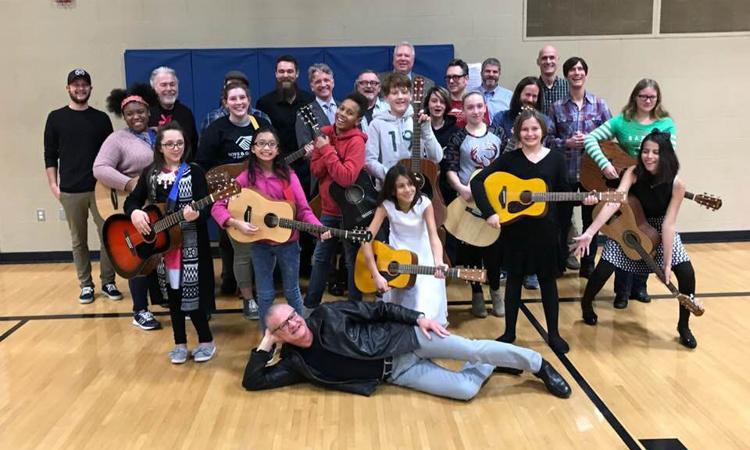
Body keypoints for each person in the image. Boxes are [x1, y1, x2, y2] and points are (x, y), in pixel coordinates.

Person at [242, 301, 572, 401]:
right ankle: (489, 367)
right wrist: (264, 345)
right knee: (465, 390)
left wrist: (420, 319)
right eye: (285, 325)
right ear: (278, 334)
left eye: (294, 316)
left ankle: (538, 364)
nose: (295, 323)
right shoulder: (295, 362)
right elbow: (253, 381)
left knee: (473, 349)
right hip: (398, 373)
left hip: (407, 340)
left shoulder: (328, 315)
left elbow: (377, 309)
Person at [472, 109, 595, 354]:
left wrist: (584, 200)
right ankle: (509, 332)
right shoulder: (510, 159)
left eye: (534, 129)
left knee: (548, 282)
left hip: (546, 231)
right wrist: (490, 213)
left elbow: (564, 193)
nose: (530, 133)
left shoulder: (556, 159)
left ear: (543, 131)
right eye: (525, 129)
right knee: (515, 281)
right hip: (515, 230)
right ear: (518, 132)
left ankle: (554, 334)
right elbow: (477, 182)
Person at [572, 131, 699, 349]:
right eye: (645, 151)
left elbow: (668, 225)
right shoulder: (633, 172)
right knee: (604, 268)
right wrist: (590, 232)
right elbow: (614, 201)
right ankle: (586, 304)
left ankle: (684, 326)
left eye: (655, 152)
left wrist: (667, 264)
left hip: (659, 227)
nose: (648, 156)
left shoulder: (677, 184)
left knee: (686, 272)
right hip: (630, 223)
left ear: (666, 155)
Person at [210, 127, 330, 332]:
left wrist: (318, 229)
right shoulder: (245, 178)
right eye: (261, 143)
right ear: (254, 149)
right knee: (265, 294)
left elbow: (303, 210)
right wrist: (235, 223)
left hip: (289, 243)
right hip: (260, 244)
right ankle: (267, 337)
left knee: (292, 291)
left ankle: (300, 334)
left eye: (271, 144)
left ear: (278, 149)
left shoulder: (288, 176)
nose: (266, 148)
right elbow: (217, 206)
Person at [125, 122, 216, 364]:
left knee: (193, 297)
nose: (175, 148)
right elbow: (132, 200)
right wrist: (135, 213)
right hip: (163, 249)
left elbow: (206, 207)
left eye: (179, 143)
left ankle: (206, 341)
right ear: (160, 147)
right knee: (173, 298)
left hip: (190, 246)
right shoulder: (151, 173)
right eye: (169, 144)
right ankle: (180, 343)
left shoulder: (194, 172)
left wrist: (197, 215)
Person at [583, 78, 677, 308]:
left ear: (658, 99)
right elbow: (590, 138)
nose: (647, 100)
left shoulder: (666, 123)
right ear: (635, 97)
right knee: (627, 232)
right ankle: (622, 291)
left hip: (652, 188)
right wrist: (604, 164)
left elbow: (669, 154)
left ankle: (640, 287)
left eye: (652, 97)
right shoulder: (621, 121)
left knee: (648, 233)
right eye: (643, 96)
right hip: (627, 184)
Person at [44, 69, 120, 304]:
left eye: (84, 84)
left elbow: (112, 155)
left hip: (101, 189)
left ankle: (108, 282)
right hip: (70, 190)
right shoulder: (56, 118)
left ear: (90, 88)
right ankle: (86, 285)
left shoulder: (101, 119)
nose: (80, 88)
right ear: (68, 88)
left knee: (108, 236)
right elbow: (49, 155)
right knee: (79, 240)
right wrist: (54, 186)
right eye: (75, 85)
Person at [196, 81, 272, 315]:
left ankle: (266, 294)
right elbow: (203, 166)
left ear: (249, 100)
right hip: (233, 199)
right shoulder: (216, 130)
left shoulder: (262, 125)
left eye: (242, 98)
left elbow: (273, 155)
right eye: (233, 99)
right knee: (243, 252)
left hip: (263, 196)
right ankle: (248, 298)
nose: (238, 103)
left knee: (267, 248)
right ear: (225, 102)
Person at [94, 84, 165, 330]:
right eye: (130, 114)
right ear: (124, 116)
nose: (136, 117)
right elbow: (100, 168)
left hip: (158, 204)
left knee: (161, 251)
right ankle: (140, 310)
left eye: (140, 112)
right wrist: (129, 183)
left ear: (148, 111)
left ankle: (161, 299)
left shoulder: (160, 134)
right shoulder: (117, 139)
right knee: (139, 255)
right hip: (134, 205)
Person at [444, 92, 508, 318]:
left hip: (494, 202)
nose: (475, 111)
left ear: (485, 108)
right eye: (470, 107)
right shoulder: (458, 137)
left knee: (494, 251)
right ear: (464, 110)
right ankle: (476, 292)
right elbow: (449, 168)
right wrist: (461, 189)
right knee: (470, 250)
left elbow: (509, 166)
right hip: (468, 201)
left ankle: (496, 291)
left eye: (479, 106)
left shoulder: (499, 134)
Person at [304, 93, 369, 309]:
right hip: (329, 210)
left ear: (357, 120)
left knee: (352, 261)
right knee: (321, 258)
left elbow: (346, 177)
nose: (342, 114)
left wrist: (326, 150)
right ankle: (311, 306)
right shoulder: (323, 133)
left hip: (350, 213)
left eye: (349, 113)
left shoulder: (357, 142)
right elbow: (315, 170)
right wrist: (327, 153)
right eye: (341, 108)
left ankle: (355, 308)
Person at [361, 165, 448, 326]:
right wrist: (376, 274)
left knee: (425, 306)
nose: (408, 190)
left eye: (410, 184)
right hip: (397, 260)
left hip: (424, 257)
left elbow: (434, 237)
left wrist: (438, 262)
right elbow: (366, 240)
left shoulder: (425, 203)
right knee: (401, 312)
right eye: (401, 186)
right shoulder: (386, 206)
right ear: (393, 191)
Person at [549, 57, 612, 278]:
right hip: (564, 173)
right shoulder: (556, 107)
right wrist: (565, 143)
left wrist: (590, 141)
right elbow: (547, 140)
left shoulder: (600, 104)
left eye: (580, 69)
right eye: (572, 70)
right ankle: (558, 263)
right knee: (561, 221)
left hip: (591, 175)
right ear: (566, 76)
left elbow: (610, 139)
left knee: (590, 218)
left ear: (586, 74)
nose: (576, 73)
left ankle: (588, 264)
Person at [490, 77, 554, 291]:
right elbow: (496, 152)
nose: (530, 99)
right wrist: (514, 142)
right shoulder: (501, 118)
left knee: (533, 227)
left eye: (535, 96)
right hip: (506, 184)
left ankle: (532, 271)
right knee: (510, 229)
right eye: (527, 94)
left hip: (532, 184)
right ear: (518, 94)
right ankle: (509, 267)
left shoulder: (544, 121)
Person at [255, 55, 316, 277]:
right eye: (281, 71)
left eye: (290, 71)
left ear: (297, 74)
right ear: (275, 74)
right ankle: (279, 272)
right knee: (276, 217)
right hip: (275, 171)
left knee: (304, 215)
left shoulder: (309, 100)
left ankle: (305, 268)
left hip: (305, 170)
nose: (286, 75)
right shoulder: (265, 103)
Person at [364, 73, 442, 191]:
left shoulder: (418, 120)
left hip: (417, 186)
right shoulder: (376, 124)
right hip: (389, 188)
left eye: (404, 92)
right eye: (394, 93)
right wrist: (391, 177)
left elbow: (437, 157)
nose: (400, 97)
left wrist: (426, 130)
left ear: (411, 95)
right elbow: (369, 161)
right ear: (386, 98)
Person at [199, 70, 272, 135]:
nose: (238, 102)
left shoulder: (261, 117)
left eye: (239, 86)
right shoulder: (212, 118)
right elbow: (204, 148)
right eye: (230, 86)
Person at [148, 67, 198, 156]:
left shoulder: (186, 113)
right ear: (153, 88)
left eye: (172, 84)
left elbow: (193, 146)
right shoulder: (147, 113)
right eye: (163, 85)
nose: (169, 88)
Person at [536, 45, 569, 116]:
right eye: (544, 58)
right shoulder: (532, 87)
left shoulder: (569, 86)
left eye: (552, 58)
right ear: (538, 62)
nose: (548, 61)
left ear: (557, 60)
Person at [444, 59, 471, 128]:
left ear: (466, 79)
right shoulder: (440, 103)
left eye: (456, 77)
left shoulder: (476, 104)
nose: (451, 81)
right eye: (448, 77)